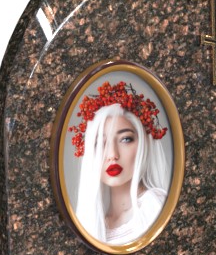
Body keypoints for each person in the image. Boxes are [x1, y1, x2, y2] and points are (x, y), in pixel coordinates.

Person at [72, 78, 172, 246]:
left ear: (143, 144)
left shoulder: (153, 206)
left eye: (125, 139)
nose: (112, 155)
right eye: (100, 143)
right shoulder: (92, 224)